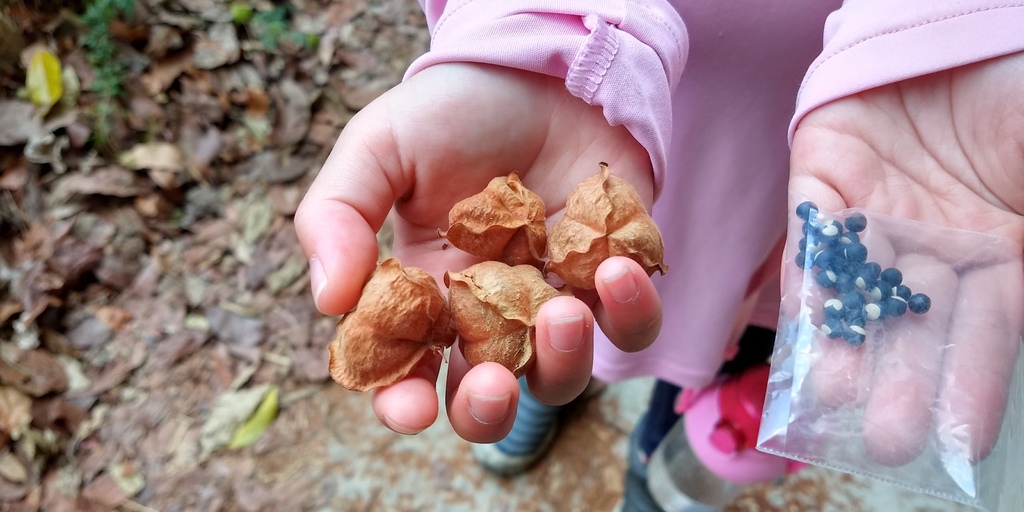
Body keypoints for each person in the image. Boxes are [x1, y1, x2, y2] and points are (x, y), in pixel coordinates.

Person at [295, 0, 1024, 509]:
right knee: (570, 322)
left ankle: (660, 459)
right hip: (608, 105)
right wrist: (537, 32)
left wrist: (964, 32)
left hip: (811, 146)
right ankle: (539, 384)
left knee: (718, 330)